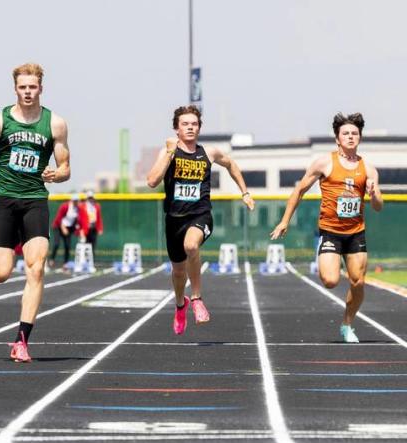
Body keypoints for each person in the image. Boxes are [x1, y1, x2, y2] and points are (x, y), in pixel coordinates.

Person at [0, 63, 71, 362]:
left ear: (41, 88)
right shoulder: (0, 121)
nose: (27, 92)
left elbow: (65, 167)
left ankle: (21, 340)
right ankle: (4, 249)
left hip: (35, 199)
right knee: (0, 273)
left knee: (36, 268)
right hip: (4, 199)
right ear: (16, 89)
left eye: (32, 87)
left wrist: (57, 175)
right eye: (22, 87)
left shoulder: (55, 124)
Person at [271, 113, 383, 343]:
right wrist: (284, 221)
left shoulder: (369, 168)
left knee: (358, 281)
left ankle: (347, 324)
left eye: (354, 133)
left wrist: (374, 193)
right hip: (330, 232)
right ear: (337, 139)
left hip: (355, 232)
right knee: (330, 281)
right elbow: (299, 190)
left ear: (360, 138)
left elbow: (378, 206)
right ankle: (332, 258)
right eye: (346, 134)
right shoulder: (324, 163)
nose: (350, 137)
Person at [146, 105, 255, 335]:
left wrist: (244, 192)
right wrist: (168, 153)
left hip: (201, 215)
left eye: (194, 124)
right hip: (174, 220)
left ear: (199, 128)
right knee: (177, 272)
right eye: (185, 124)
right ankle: (180, 304)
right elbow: (152, 181)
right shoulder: (168, 151)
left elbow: (231, 164)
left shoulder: (209, 153)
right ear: (176, 128)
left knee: (191, 245)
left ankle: (196, 298)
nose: (190, 128)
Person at [50, 193, 87, 267]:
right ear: (72, 200)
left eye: (77, 201)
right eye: (75, 201)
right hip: (58, 226)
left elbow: (79, 221)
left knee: (67, 245)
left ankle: (65, 263)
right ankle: (51, 259)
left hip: (69, 228)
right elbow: (59, 218)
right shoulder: (65, 206)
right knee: (56, 244)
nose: (76, 202)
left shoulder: (78, 209)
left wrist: (81, 231)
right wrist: (63, 228)